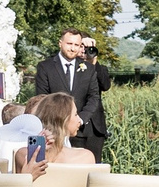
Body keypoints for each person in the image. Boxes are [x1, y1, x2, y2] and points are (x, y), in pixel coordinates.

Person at [31, 30, 112, 159]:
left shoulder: (89, 67)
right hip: (58, 129)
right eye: (69, 44)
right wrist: (61, 121)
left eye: (77, 45)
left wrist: (80, 119)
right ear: (60, 43)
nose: (73, 48)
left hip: (87, 128)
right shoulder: (45, 67)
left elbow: (94, 96)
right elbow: (42, 98)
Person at [29, 92, 96, 166]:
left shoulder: (23, 155)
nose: (79, 120)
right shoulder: (84, 157)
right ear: (63, 119)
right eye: (75, 114)